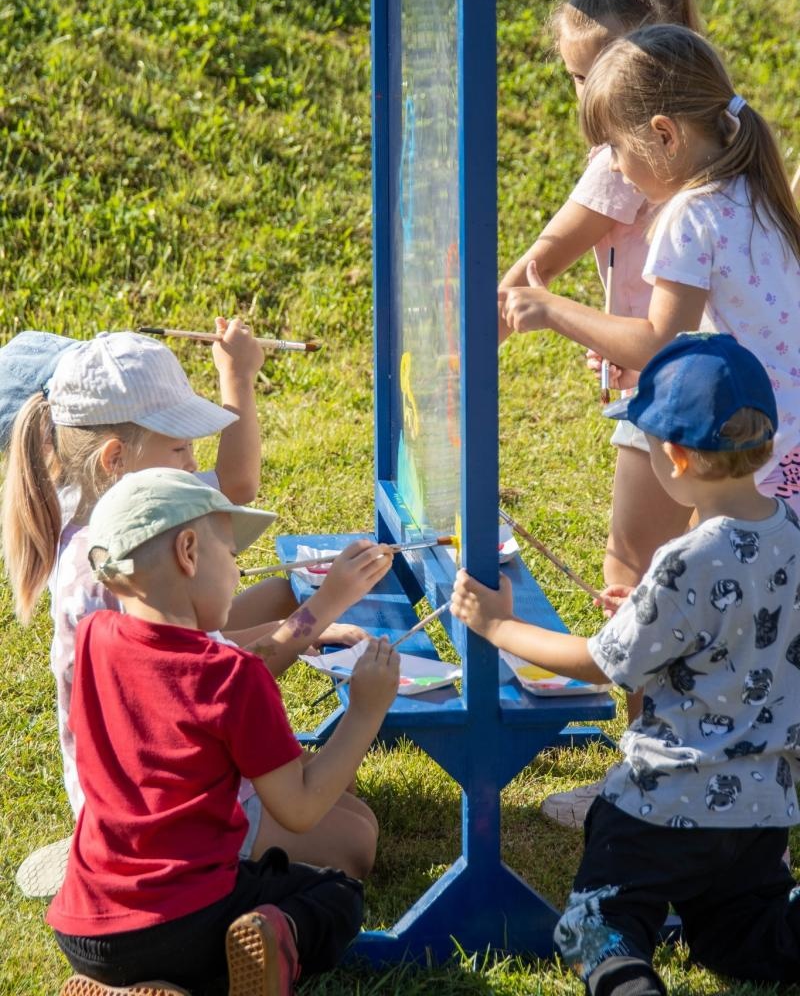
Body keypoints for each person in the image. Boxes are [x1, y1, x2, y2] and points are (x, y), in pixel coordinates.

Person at [452, 333, 800, 994]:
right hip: (761, 810)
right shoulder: (791, 536)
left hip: (661, 805)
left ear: (674, 456)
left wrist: (497, 624)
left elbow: (598, 662)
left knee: (596, 923)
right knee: (747, 938)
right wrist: (646, 607)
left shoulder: (684, 560)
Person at [1, 328, 379, 880]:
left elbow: (205, 652)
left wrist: (305, 622)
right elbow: (222, 676)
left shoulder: (109, 505)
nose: (191, 462)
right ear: (115, 459)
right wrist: (320, 610)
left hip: (162, 766)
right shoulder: (110, 574)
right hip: (157, 809)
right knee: (357, 842)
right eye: (180, 448)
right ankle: (222, 890)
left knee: (351, 810)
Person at [47, 468, 400, 996]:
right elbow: (301, 809)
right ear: (189, 552)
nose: (238, 573)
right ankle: (256, 957)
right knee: (337, 896)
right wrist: (366, 712)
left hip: (83, 926)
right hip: (182, 921)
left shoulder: (97, 637)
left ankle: (142, 986)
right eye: (232, 556)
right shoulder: (234, 677)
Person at [501, 25, 800, 520]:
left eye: (614, 148)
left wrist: (552, 309)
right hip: (784, 447)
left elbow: (660, 340)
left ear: (664, 135)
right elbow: (715, 335)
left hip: (756, 457)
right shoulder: (752, 190)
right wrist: (636, 358)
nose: (614, 167)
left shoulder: (689, 215)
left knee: (724, 564)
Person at [499, 0, 703, 593]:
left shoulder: (622, 162)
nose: (585, 97)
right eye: (575, 79)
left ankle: (643, 668)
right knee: (698, 559)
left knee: (632, 570)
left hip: (669, 385)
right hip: (712, 375)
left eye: (594, 78)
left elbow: (536, 268)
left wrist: (463, 353)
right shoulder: (704, 134)